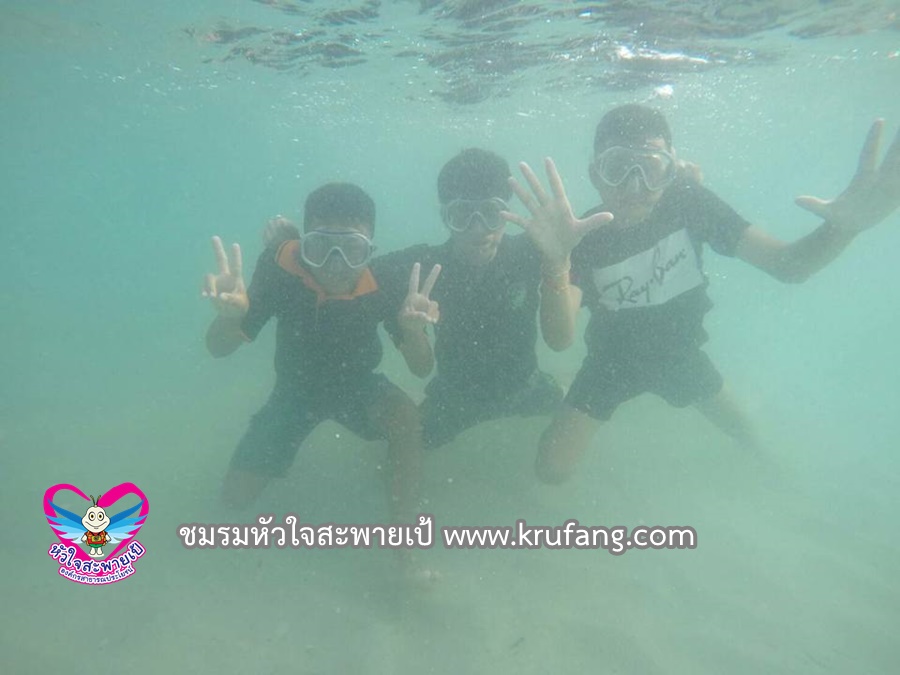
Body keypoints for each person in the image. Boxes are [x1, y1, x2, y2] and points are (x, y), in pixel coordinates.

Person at [505, 104, 900, 484]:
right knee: (551, 471)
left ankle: (782, 476)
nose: (634, 186)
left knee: (754, 438)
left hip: (682, 355)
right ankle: (568, 384)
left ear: (671, 170)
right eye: (617, 168)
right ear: (596, 174)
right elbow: (560, 338)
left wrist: (844, 229)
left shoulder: (689, 201)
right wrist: (556, 262)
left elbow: (789, 266)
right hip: (610, 365)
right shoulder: (582, 238)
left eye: (651, 168)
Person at [201, 183, 441, 538]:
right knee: (234, 499)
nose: (335, 264)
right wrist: (229, 318)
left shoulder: (383, 281)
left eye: (352, 249)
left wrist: (414, 332)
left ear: (370, 250)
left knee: (406, 416)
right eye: (320, 247)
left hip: (358, 385)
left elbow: (421, 368)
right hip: (294, 393)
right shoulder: (280, 268)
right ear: (304, 247)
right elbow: (218, 348)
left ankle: (405, 545)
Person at [372, 148, 612, 449]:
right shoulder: (422, 268)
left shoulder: (535, 250)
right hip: (453, 397)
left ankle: (560, 384)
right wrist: (411, 331)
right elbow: (420, 368)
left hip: (528, 388)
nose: (478, 230)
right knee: (402, 451)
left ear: (507, 214)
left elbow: (561, 340)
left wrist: (558, 261)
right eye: (462, 215)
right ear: (445, 217)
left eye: (491, 213)